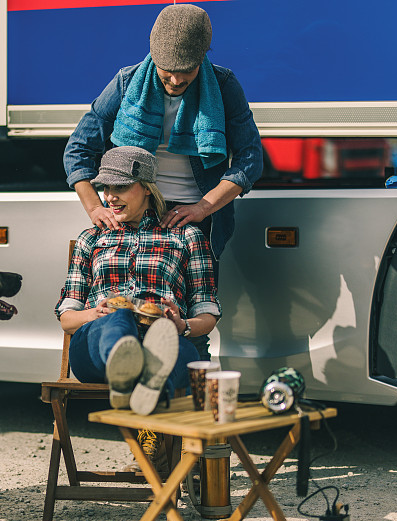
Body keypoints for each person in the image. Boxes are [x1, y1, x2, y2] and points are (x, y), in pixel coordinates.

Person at [63, 4, 262, 359]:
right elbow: (79, 148)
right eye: (166, 72)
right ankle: (129, 368)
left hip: (195, 215)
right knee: (125, 304)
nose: (174, 81)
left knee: (188, 314)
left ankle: (188, 379)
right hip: (134, 205)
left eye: (184, 73)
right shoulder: (126, 82)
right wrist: (95, 206)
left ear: (203, 58)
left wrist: (204, 207)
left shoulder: (224, 84)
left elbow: (250, 158)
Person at [55, 146, 221, 422]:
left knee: (179, 351)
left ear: (146, 187)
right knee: (119, 316)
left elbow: (208, 314)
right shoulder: (91, 238)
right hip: (98, 341)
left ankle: (143, 408)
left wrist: (183, 325)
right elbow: (68, 319)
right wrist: (97, 314)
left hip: (162, 336)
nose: (109, 197)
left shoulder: (185, 236)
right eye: (105, 187)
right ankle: (125, 366)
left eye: (120, 186)